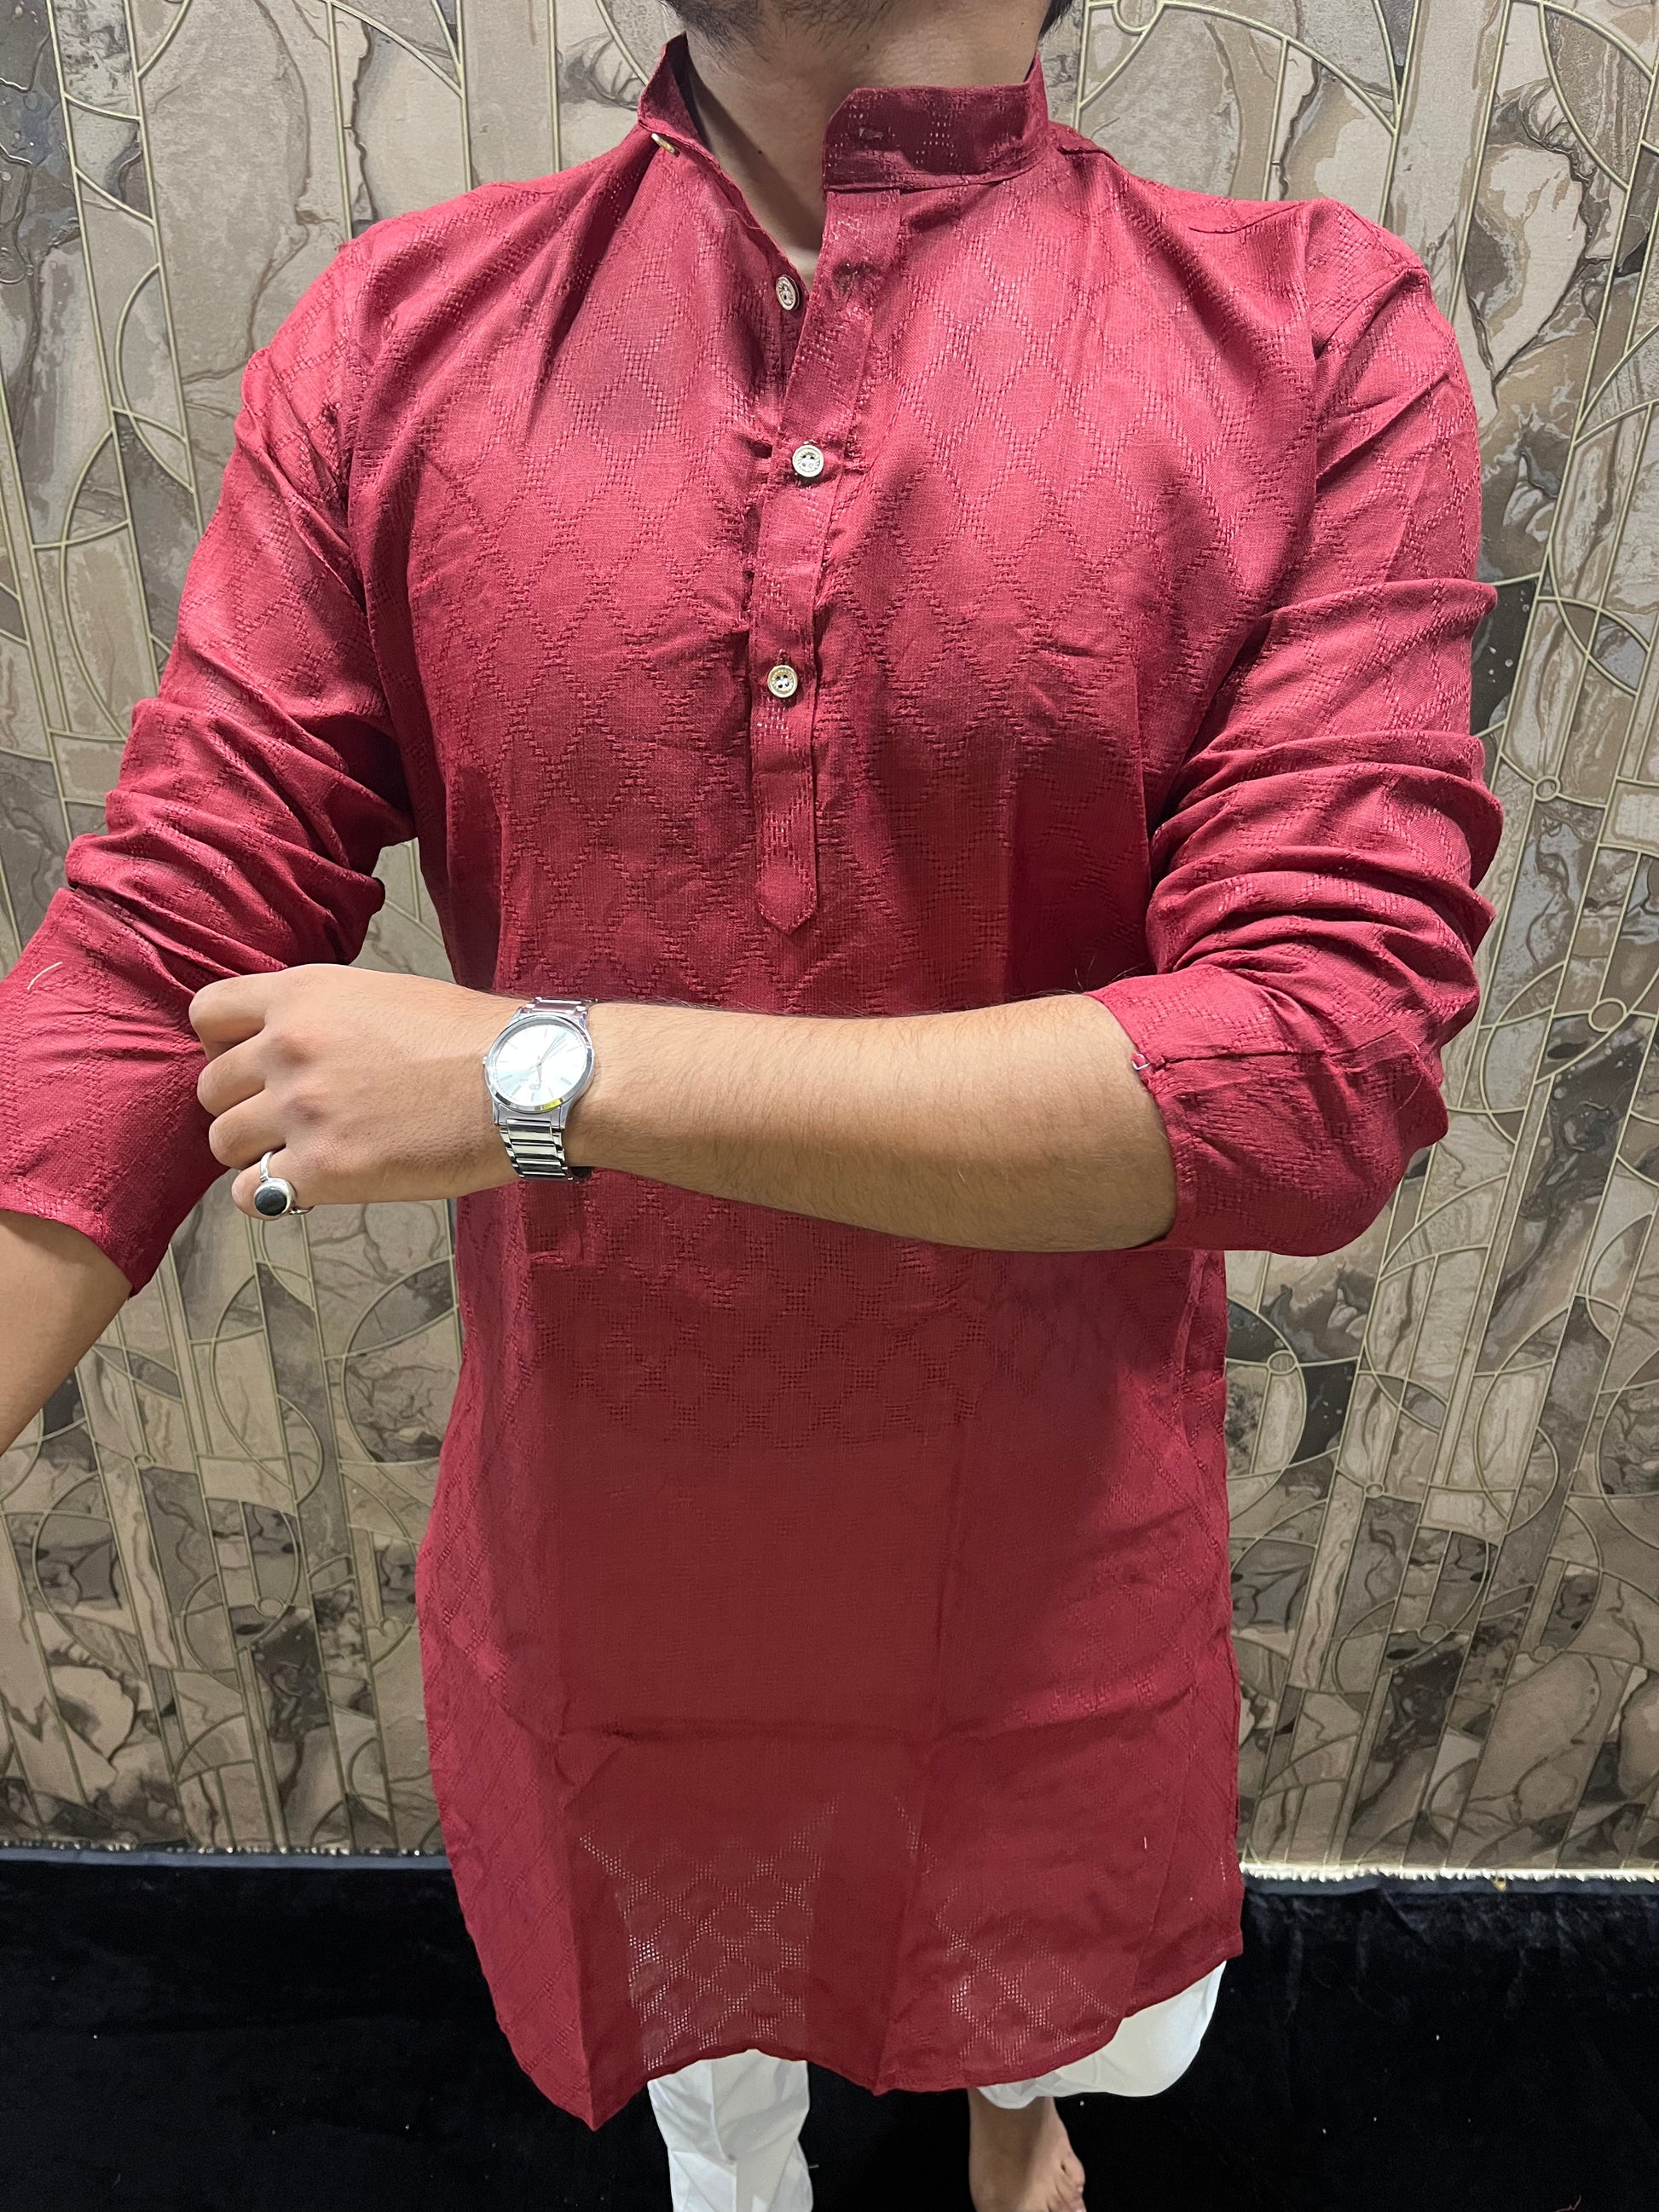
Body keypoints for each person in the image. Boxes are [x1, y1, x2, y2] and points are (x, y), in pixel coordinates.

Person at [0, 1, 1502, 2206]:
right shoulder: (400, 342)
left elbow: (1314, 1061)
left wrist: (541, 1072)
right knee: (713, 2069)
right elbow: (159, 940)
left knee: (1028, 1997)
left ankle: (1010, 2126)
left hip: (1038, 1567)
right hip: (615, 1567)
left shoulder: (1301, 345)